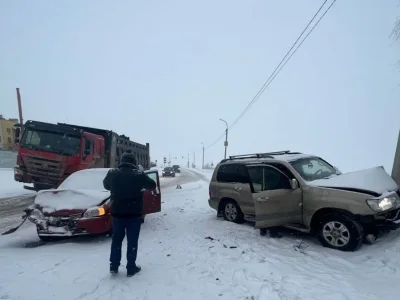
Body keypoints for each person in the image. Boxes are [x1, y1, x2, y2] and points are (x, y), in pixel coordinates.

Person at [103, 151, 156, 277]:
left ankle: (114, 266)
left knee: (116, 240)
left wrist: (116, 187)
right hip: (134, 214)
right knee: (132, 241)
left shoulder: (112, 173)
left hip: (117, 214)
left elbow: (106, 185)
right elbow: (152, 185)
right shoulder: (138, 175)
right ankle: (131, 267)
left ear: (121, 161)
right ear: (134, 163)